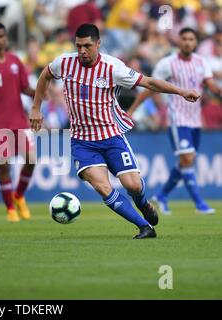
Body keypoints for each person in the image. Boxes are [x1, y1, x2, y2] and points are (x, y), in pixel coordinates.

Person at [30, 24, 201, 239]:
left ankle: (143, 203)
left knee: (133, 185)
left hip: (111, 136)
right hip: (82, 141)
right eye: (79, 46)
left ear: (98, 44)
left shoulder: (113, 68)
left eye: (87, 46)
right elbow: (45, 75)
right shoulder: (64, 62)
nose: (82, 51)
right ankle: (144, 227)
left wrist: (181, 91)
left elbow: (148, 82)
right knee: (103, 187)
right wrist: (36, 108)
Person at [128, 27, 222, 215]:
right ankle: (199, 204)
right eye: (184, 38)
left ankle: (162, 195)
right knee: (187, 159)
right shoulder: (167, 63)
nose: (187, 42)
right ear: (179, 41)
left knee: (186, 161)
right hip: (177, 120)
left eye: (191, 39)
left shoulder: (201, 62)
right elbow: (150, 87)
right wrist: (132, 109)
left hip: (195, 121)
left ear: (195, 42)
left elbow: (211, 85)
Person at [0, 22, 36, 222]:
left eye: (1, 36)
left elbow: (25, 88)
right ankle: (10, 208)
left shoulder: (15, 61)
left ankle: (19, 195)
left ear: (6, 38)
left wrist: (38, 93)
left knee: (31, 159)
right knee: (4, 166)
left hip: (19, 119)